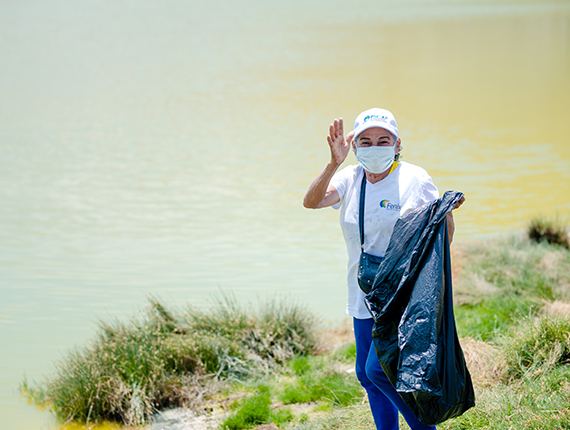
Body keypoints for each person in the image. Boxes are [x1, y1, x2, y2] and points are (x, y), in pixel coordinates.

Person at [303, 108, 464, 430]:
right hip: (363, 289)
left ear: (397, 144)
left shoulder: (414, 178)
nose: (374, 147)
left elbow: (441, 233)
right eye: (366, 141)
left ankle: (424, 427)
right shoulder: (350, 177)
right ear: (355, 146)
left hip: (402, 291)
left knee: (380, 370)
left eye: (382, 140)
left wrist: (443, 216)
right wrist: (334, 162)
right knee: (366, 374)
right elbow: (312, 202)